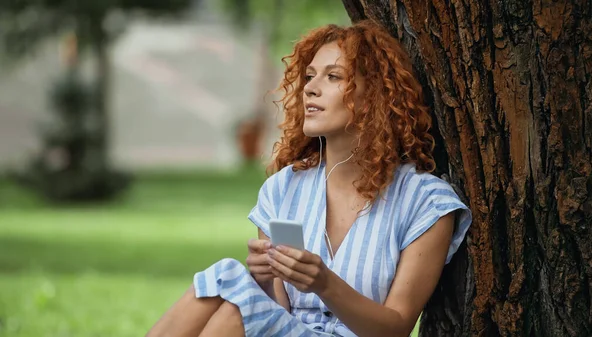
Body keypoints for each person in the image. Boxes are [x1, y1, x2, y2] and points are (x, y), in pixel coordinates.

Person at [146, 20, 472, 337]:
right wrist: (265, 278)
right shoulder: (282, 188)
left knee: (234, 297)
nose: (310, 88)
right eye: (310, 76)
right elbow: (278, 313)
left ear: (374, 96)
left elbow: (397, 327)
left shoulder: (425, 201)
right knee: (228, 279)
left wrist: (325, 284)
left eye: (333, 77)